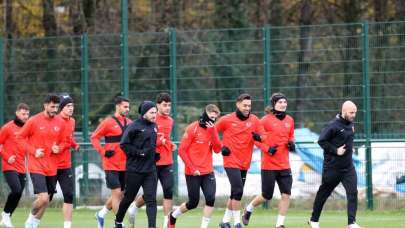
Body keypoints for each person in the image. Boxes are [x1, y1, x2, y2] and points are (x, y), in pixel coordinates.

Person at [242, 93, 295, 228]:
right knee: (267, 195)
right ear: (274, 104)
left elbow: (291, 137)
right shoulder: (265, 120)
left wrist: (292, 144)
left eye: (285, 102)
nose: (283, 104)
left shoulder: (290, 120)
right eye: (280, 102)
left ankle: (279, 225)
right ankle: (249, 208)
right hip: (269, 165)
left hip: (284, 165)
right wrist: (267, 149)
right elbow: (254, 138)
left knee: (286, 194)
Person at [308, 101, 362, 228]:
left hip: (348, 168)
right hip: (332, 168)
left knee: (353, 192)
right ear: (344, 111)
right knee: (324, 193)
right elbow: (321, 141)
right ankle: (314, 220)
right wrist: (335, 150)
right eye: (351, 112)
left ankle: (351, 223)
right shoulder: (332, 126)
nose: (354, 115)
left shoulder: (351, 124)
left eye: (355, 112)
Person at [216, 93, 266, 228]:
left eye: (249, 106)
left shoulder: (255, 120)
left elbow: (264, 136)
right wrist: (221, 146)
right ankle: (237, 222)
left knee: (234, 192)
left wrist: (259, 137)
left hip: (245, 162)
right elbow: (212, 133)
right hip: (230, 160)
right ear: (237, 104)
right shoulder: (226, 120)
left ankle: (225, 221)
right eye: (244, 105)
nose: (247, 108)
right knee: (238, 190)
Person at [168, 104, 222, 228]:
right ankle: (173, 216)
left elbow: (218, 150)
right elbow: (181, 151)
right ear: (204, 114)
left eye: (214, 118)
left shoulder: (213, 129)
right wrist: (193, 169)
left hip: (208, 171)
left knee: (210, 198)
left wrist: (213, 131)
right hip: (192, 172)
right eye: (210, 117)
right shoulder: (192, 128)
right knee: (193, 203)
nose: (212, 120)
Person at [128, 93, 177, 228]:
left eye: (169, 105)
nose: (167, 108)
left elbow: (164, 138)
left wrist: (170, 143)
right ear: (157, 105)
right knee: (150, 194)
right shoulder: (151, 119)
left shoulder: (170, 121)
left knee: (168, 190)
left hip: (167, 161)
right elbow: (144, 140)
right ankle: (134, 206)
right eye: (164, 105)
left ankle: (166, 224)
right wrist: (159, 142)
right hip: (152, 162)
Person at [17, 94, 66, 228]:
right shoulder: (33, 121)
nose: (55, 109)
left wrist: (59, 148)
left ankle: (34, 224)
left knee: (46, 200)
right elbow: (20, 138)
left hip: (52, 166)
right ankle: (30, 218)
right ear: (45, 105)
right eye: (52, 106)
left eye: (57, 107)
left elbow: (64, 141)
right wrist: (34, 151)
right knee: (43, 198)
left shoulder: (60, 122)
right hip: (36, 165)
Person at [114, 101, 159, 228]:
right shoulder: (134, 126)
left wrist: (154, 154)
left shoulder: (155, 126)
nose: (154, 115)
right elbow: (124, 145)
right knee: (128, 198)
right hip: (134, 170)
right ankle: (118, 221)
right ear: (144, 113)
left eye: (155, 112)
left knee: (151, 200)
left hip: (150, 170)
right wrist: (139, 153)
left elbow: (151, 145)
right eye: (151, 112)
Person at [92, 96, 131, 228]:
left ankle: (101, 214)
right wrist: (103, 151)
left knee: (120, 194)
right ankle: (119, 223)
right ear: (118, 106)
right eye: (125, 107)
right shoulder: (108, 122)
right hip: (111, 165)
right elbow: (94, 137)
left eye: (128, 107)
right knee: (116, 193)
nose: (127, 109)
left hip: (126, 165)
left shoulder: (130, 123)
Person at [0, 103, 30, 228]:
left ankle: (6, 217)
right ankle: (6, 216)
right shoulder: (7, 128)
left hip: (22, 167)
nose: (26, 116)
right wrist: (7, 157)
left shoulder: (28, 129)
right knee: (16, 189)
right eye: (23, 114)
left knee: (18, 194)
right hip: (9, 166)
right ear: (17, 113)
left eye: (27, 114)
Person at [54, 94, 80, 228]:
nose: (71, 108)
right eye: (68, 106)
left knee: (69, 195)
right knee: (45, 198)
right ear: (61, 108)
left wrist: (75, 145)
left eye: (72, 106)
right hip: (51, 165)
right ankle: (32, 222)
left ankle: (67, 226)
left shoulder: (72, 121)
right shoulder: (54, 120)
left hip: (65, 165)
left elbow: (68, 139)